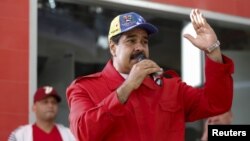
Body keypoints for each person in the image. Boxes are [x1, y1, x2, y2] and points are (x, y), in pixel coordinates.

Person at [66, 9, 234, 141]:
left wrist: (213, 50)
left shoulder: (169, 87)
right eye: (131, 40)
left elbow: (217, 103)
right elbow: (83, 134)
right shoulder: (84, 88)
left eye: (144, 41)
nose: (140, 47)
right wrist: (127, 87)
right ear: (113, 47)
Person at [8, 86, 76, 141]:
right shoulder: (19, 135)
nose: (50, 105)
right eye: (45, 102)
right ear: (34, 107)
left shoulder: (70, 135)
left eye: (54, 102)